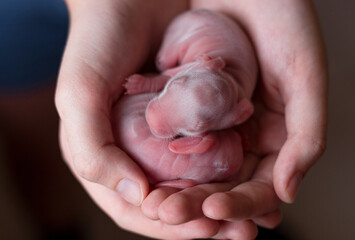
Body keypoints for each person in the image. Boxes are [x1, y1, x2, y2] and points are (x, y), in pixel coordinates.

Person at [2, 0, 327, 239]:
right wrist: (154, 84)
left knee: (220, 211)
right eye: (171, 88)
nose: (154, 114)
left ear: (237, 118)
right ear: (201, 65)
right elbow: (176, 76)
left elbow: (180, 82)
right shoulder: (200, 70)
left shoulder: (225, 97)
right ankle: (59, 227)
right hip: (18, 17)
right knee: (37, 129)